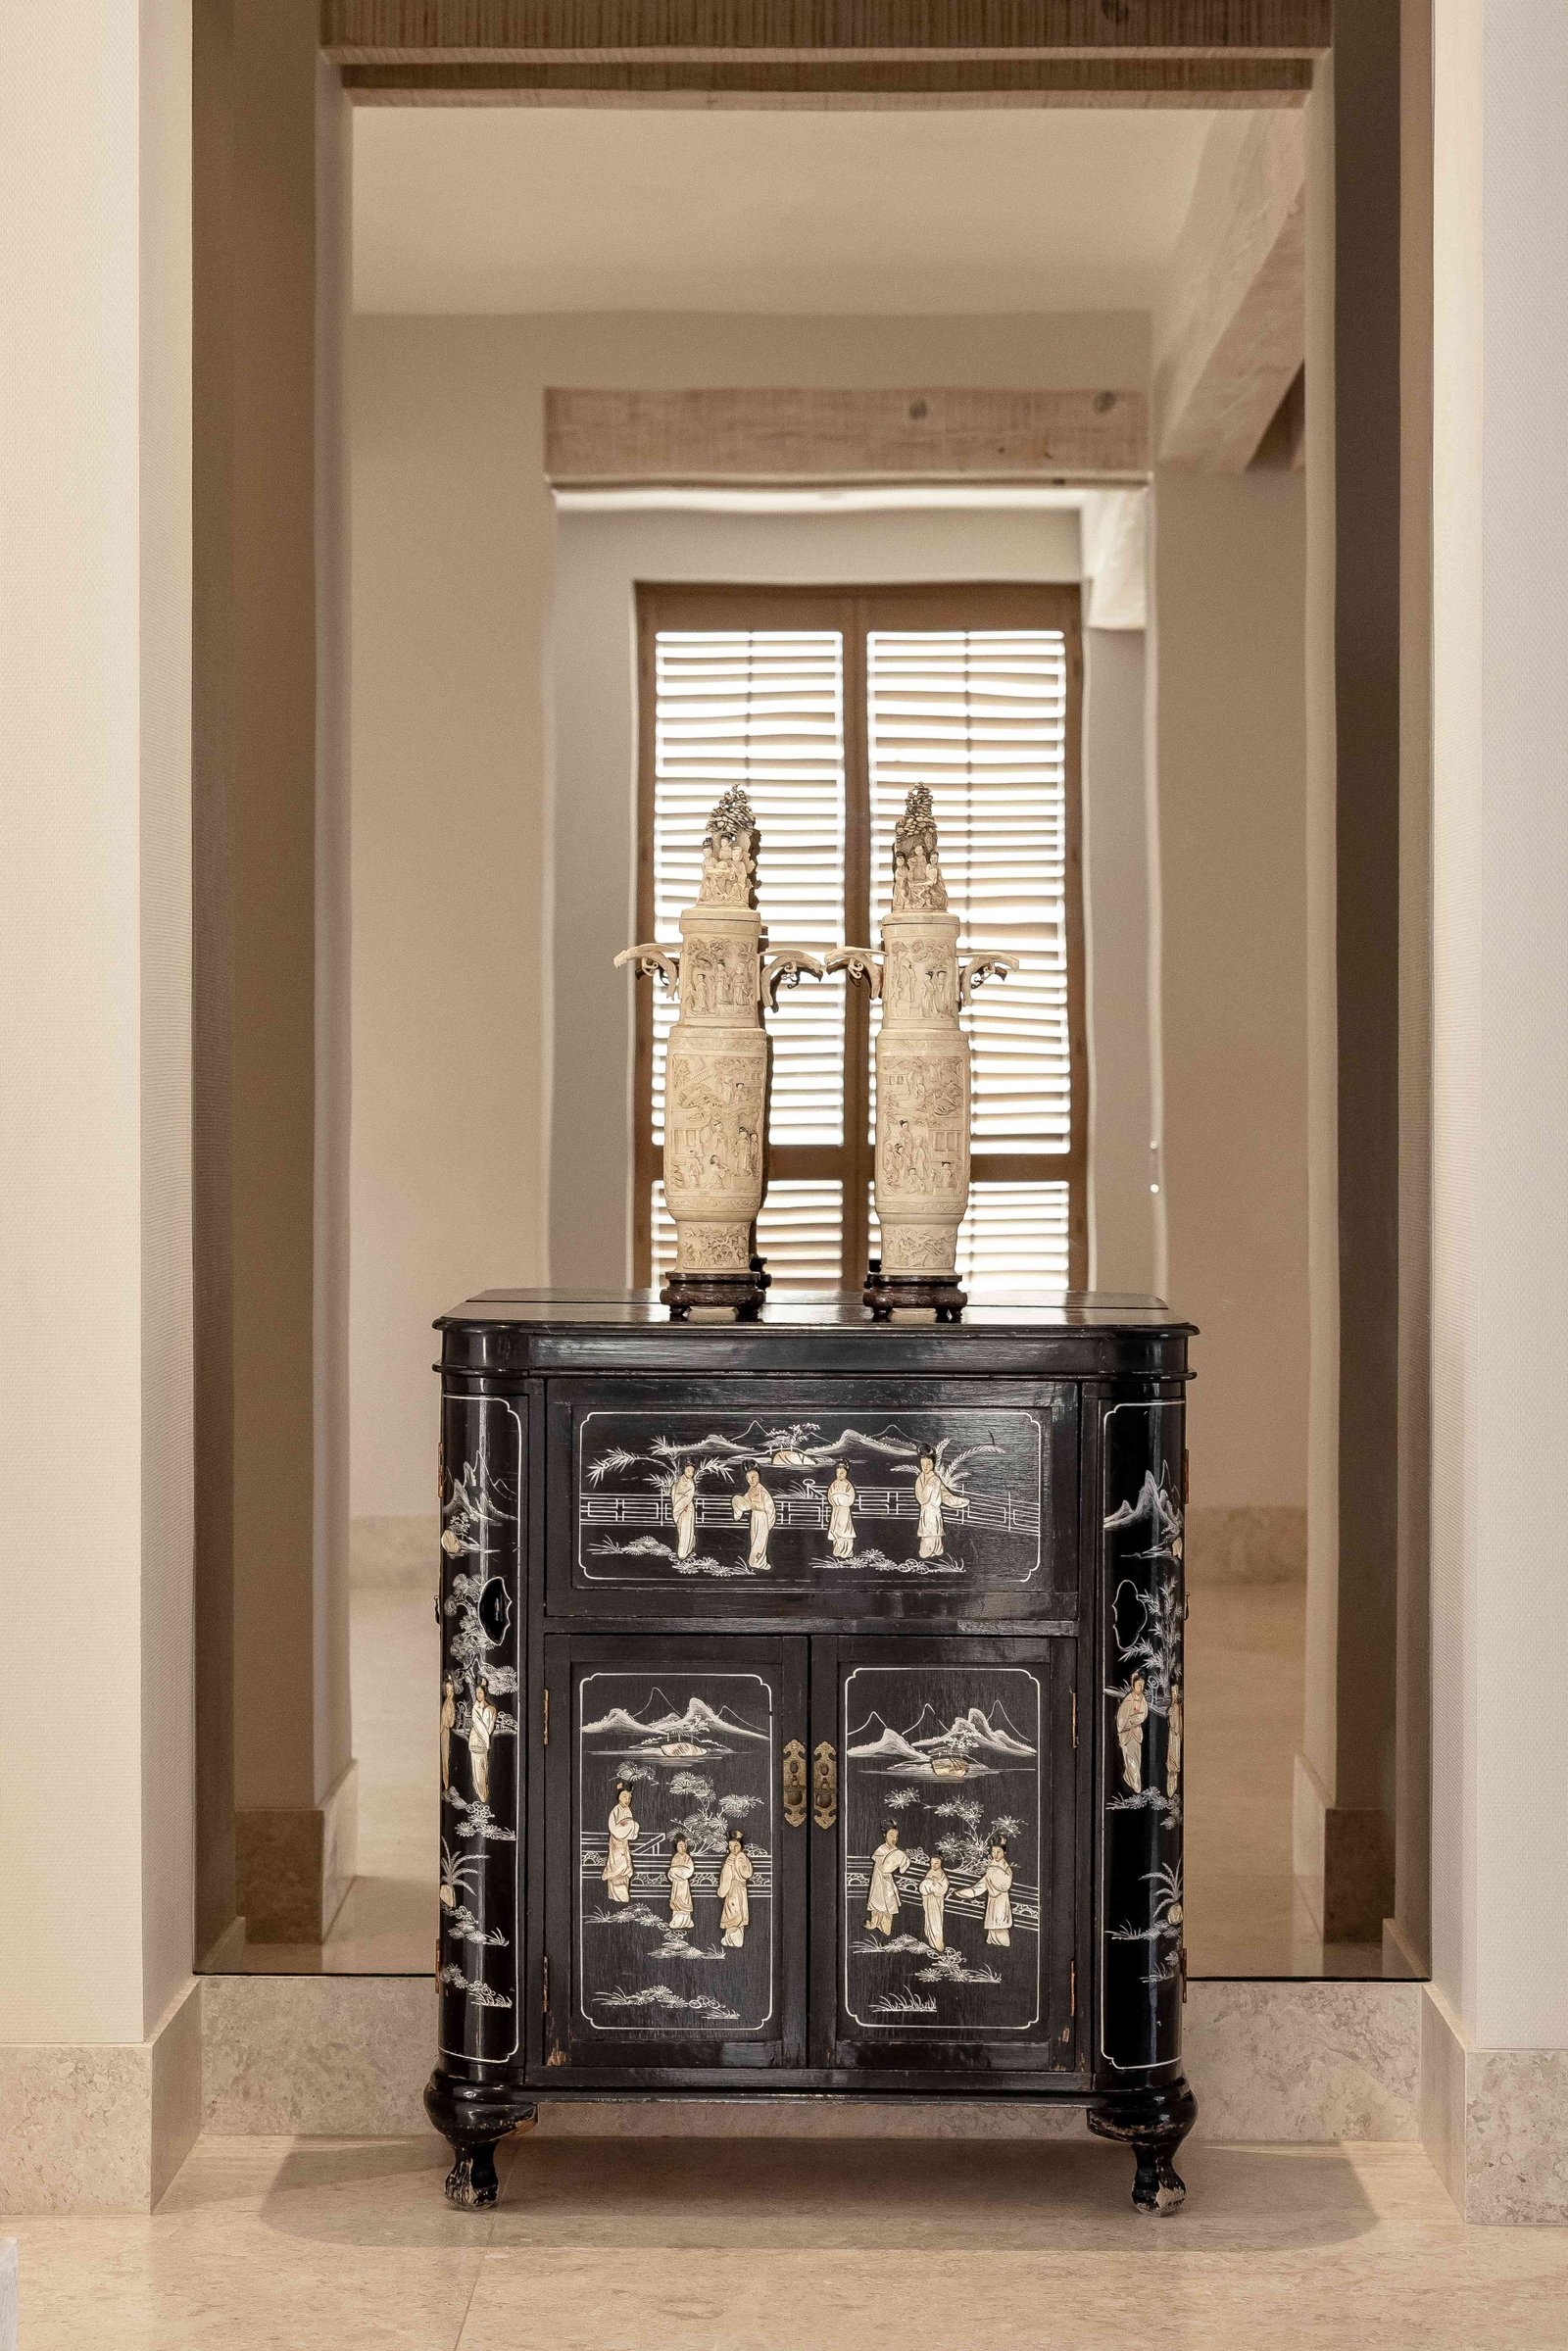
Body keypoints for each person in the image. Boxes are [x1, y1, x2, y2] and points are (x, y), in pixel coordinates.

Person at [914, 1451, 964, 1560]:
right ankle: (926, 1555)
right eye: (923, 1464)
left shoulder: (935, 1479)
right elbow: (921, 1498)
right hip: (925, 1512)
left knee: (935, 1533)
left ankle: (936, 1554)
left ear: (933, 1464)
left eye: (928, 1464)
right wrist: (930, 1485)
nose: (925, 1467)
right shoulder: (920, 1479)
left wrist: (959, 1501)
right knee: (926, 1535)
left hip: (934, 1511)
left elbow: (945, 1495)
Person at [865, 1825, 908, 1935]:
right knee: (879, 1905)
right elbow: (883, 1868)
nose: (894, 1838)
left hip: (888, 1880)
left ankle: (886, 1931)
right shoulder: (881, 1850)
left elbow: (902, 1866)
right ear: (885, 1836)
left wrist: (902, 1860)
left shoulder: (896, 1851)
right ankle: (876, 1926)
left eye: (896, 1836)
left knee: (889, 1905)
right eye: (891, 1835)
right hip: (879, 1880)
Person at [731, 1467, 776, 1570]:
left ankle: (759, 1563)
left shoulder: (763, 1492)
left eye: (753, 1477)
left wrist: (769, 1523)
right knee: (754, 1538)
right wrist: (739, 1504)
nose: (751, 1480)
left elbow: (770, 1508)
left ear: (758, 1477)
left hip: (763, 1517)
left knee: (760, 1541)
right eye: (748, 1478)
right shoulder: (751, 1490)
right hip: (755, 1516)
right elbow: (745, 1501)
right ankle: (754, 1562)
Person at [971, 1841, 1014, 1947]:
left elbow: (1005, 1884)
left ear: (1004, 1852)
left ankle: (1003, 1948)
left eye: (998, 1852)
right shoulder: (991, 1865)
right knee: (992, 1927)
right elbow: (984, 1882)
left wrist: (994, 1876)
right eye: (993, 1851)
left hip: (1001, 1900)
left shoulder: (1006, 1868)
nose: (995, 1854)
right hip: (992, 1900)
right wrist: (969, 1892)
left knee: (1000, 1925)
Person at [603, 1785, 639, 1903]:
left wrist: (631, 1826)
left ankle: (623, 1894)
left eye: (629, 1797)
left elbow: (631, 1827)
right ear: (619, 1797)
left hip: (624, 1843)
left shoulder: (627, 1810)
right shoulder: (616, 1810)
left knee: (625, 1867)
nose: (627, 1800)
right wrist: (624, 1827)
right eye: (624, 1796)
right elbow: (613, 1828)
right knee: (616, 1865)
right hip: (616, 1843)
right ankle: (614, 1895)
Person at [717, 1833, 753, 1947]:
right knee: (736, 1913)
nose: (733, 1848)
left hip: (735, 1891)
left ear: (741, 1846)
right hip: (738, 1890)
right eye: (730, 1846)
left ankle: (734, 1940)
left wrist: (721, 1891)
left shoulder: (737, 1859)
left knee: (734, 1914)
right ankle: (731, 1939)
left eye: (736, 1845)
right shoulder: (736, 1859)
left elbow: (726, 1879)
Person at [1116, 1673, 1149, 1794]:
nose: (1141, 1687)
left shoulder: (1143, 1699)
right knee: (1131, 1761)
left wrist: (1135, 1718)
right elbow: (1122, 1721)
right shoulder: (1128, 1700)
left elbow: (1143, 1715)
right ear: (1133, 1685)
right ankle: (1135, 1786)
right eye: (1139, 1684)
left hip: (1136, 1735)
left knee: (1137, 1761)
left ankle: (1130, 1780)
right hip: (1127, 1735)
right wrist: (1133, 1720)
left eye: (1142, 1685)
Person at [467, 1678, 498, 1804]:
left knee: (482, 1772)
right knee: (475, 1775)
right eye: (477, 1693)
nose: (478, 1695)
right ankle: (480, 1798)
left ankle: (484, 1797)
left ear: (485, 1693)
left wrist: (484, 1739)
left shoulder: (491, 1710)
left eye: (480, 1693)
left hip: (482, 1744)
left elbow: (489, 1728)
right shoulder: (475, 1708)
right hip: (474, 1743)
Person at [826, 1463, 857, 1560]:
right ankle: (837, 1551)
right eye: (837, 1472)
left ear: (846, 1473)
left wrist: (839, 1497)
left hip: (844, 1511)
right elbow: (830, 1497)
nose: (839, 1475)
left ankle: (847, 1552)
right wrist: (835, 1498)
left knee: (845, 1530)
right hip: (836, 1511)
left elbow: (850, 1499)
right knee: (836, 1531)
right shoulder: (834, 1484)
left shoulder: (848, 1485)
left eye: (842, 1472)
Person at [919, 1854, 950, 1951]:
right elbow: (925, 1885)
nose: (934, 1865)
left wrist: (936, 1885)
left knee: (936, 1921)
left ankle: (938, 1943)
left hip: (936, 1901)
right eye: (932, 1863)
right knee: (928, 1919)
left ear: (940, 1864)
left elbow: (944, 1887)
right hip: (928, 1899)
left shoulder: (941, 1874)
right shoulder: (930, 1872)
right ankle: (931, 1941)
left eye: (936, 1863)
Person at [666, 1835, 695, 1932]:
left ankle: (686, 1921)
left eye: (684, 1846)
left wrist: (677, 1871)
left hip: (684, 1883)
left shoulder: (688, 1858)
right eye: (680, 1845)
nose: (683, 1848)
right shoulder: (675, 1858)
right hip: (676, 1884)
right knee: (677, 1901)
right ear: (676, 1846)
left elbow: (689, 1870)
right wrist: (676, 1872)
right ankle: (676, 1921)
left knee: (684, 1900)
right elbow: (671, 1871)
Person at [669, 1462, 698, 1561]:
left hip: (687, 1508)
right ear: (684, 1470)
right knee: (681, 1530)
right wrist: (677, 1506)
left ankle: (683, 1552)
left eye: (692, 1472)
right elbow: (674, 1494)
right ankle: (685, 1549)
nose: (690, 1473)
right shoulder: (679, 1481)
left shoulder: (691, 1483)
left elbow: (689, 1496)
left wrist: (683, 1505)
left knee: (687, 1529)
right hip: (679, 1507)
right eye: (688, 1471)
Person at [1166, 1680, 1183, 1798]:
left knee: (1174, 1758)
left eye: (1175, 1692)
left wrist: (1171, 1716)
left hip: (1175, 1736)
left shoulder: (1176, 1707)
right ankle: (1171, 1788)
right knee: (1172, 1759)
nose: (1174, 1694)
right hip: (1172, 1735)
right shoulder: (1173, 1706)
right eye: (1172, 1692)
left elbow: (1176, 1727)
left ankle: (1173, 1787)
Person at [439, 1676, 457, 1791]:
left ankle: (446, 1785)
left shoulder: (449, 1703)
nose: (450, 1693)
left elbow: (450, 1722)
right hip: (444, 1731)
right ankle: (445, 1785)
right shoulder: (447, 1703)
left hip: (445, 1731)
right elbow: (448, 1722)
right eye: (447, 1690)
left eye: (451, 1690)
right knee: (444, 1758)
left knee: (446, 1758)